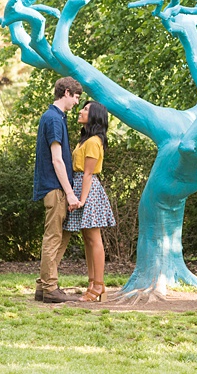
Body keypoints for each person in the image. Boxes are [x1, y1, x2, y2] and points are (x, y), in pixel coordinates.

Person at [32, 77, 82, 303]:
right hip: (55, 187)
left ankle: (44, 287)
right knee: (53, 237)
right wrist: (70, 192)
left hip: (55, 187)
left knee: (59, 236)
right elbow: (57, 160)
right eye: (76, 97)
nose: (77, 102)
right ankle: (50, 288)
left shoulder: (55, 117)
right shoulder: (53, 119)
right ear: (67, 92)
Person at [62, 100, 116, 302]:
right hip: (80, 187)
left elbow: (88, 174)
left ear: (94, 116)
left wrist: (82, 200)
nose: (80, 111)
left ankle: (99, 285)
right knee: (87, 239)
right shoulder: (86, 140)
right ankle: (92, 282)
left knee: (94, 239)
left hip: (88, 191)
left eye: (85, 109)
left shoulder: (94, 141)